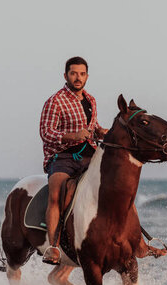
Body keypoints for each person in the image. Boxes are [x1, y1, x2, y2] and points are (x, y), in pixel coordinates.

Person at [39, 56, 108, 265]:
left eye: (82, 74)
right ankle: (53, 247)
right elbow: (45, 133)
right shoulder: (55, 101)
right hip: (63, 156)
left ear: (87, 76)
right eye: (73, 73)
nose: (78, 78)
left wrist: (101, 131)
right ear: (66, 75)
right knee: (57, 192)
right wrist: (71, 136)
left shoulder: (91, 100)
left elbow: (93, 127)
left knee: (113, 185)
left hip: (88, 154)